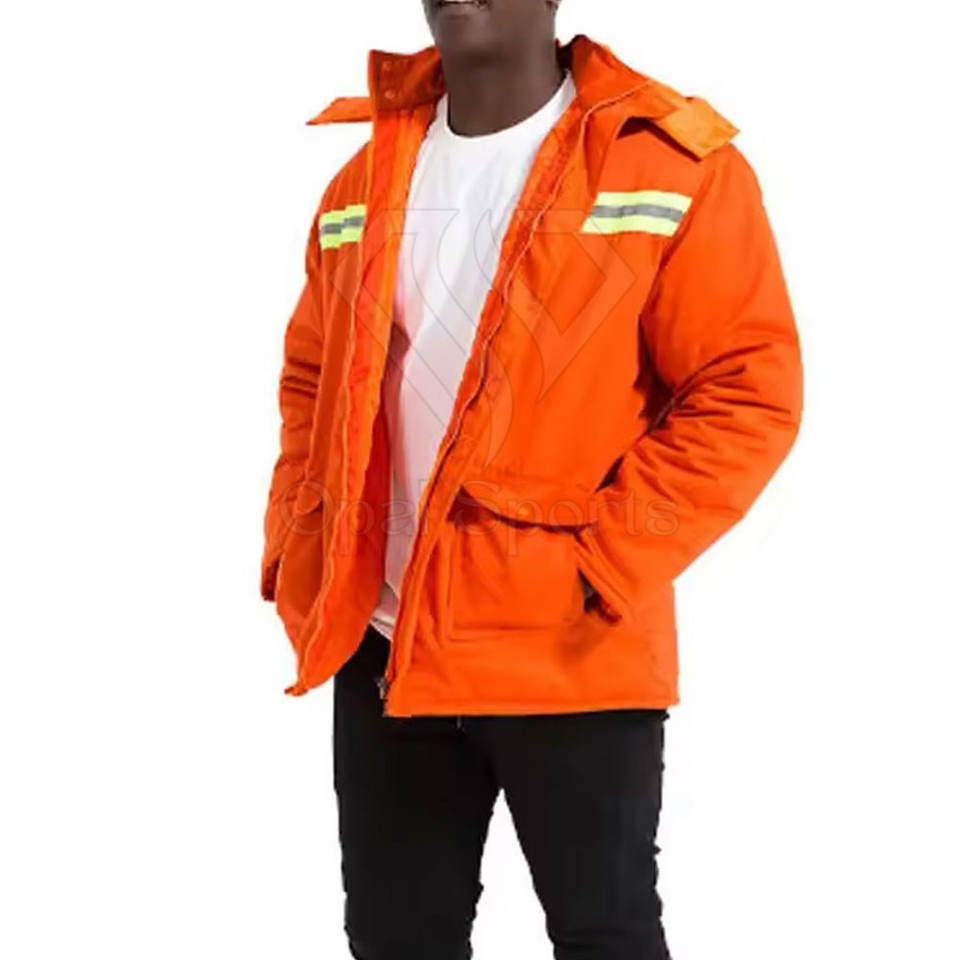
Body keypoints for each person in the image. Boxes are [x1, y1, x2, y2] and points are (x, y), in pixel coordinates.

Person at [261, 1, 802, 957]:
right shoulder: (366, 173)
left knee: (604, 936)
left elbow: (747, 391)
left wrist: (604, 561)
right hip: (384, 648)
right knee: (393, 939)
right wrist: (299, 546)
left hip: (570, 649)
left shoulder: (670, 163)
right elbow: (313, 380)